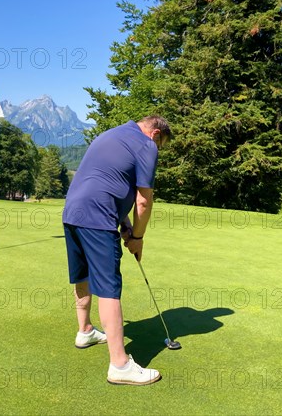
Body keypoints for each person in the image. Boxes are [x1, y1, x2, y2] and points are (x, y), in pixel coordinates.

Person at [62, 115, 171, 385]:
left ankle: (85, 330)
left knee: (82, 274)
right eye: (162, 145)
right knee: (109, 286)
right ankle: (120, 365)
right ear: (155, 134)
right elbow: (143, 200)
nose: (158, 150)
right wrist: (138, 236)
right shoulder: (146, 145)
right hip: (98, 216)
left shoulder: (113, 134)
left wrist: (122, 222)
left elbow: (108, 180)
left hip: (72, 211)